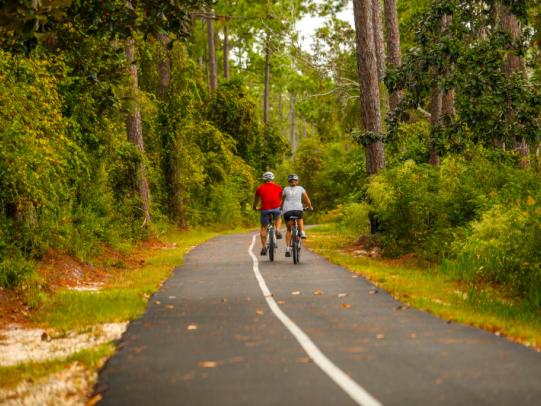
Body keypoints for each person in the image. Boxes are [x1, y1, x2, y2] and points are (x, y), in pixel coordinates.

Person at [281, 174, 313, 257]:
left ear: (289, 182)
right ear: (297, 181)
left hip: (287, 211)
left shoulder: (285, 189)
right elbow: (307, 200)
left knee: (288, 230)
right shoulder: (301, 188)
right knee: (300, 217)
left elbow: (282, 201)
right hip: (298, 209)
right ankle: (302, 232)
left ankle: (288, 248)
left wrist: (281, 208)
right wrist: (309, 207)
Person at [253, 171, 283, 256]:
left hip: (265, 209)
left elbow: (256, 200)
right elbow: (281, 198)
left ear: (264, 179)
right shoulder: (278, 187)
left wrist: (255, 207)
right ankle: (277, 230)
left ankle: (263, 247)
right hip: (276, 208)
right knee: (278, 217)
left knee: (263, 227)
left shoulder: (259, 188)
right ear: (273, 178)